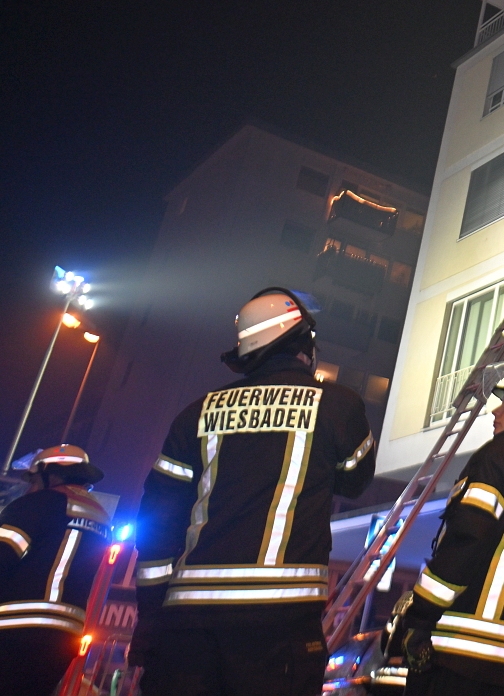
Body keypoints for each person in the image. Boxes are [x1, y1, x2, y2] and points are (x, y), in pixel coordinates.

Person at [130, 287, 376, 695]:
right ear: (303, 345)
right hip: (280, 623)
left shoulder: (197, 413)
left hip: (188, 625)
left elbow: (157, 521)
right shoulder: (336, 405)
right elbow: (355, 479)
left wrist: (151, 616)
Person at [383, 361, 504, 696]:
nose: (495, 412)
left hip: (462, 659)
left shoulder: (500, 455)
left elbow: (466, 540)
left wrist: (419, 616)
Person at [0, 445, 111, 696]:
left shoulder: (38, 503)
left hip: (9, 630)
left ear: (51, 474)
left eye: (33, 480)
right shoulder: (101, 517)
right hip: (64, 639)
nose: (29, 488)